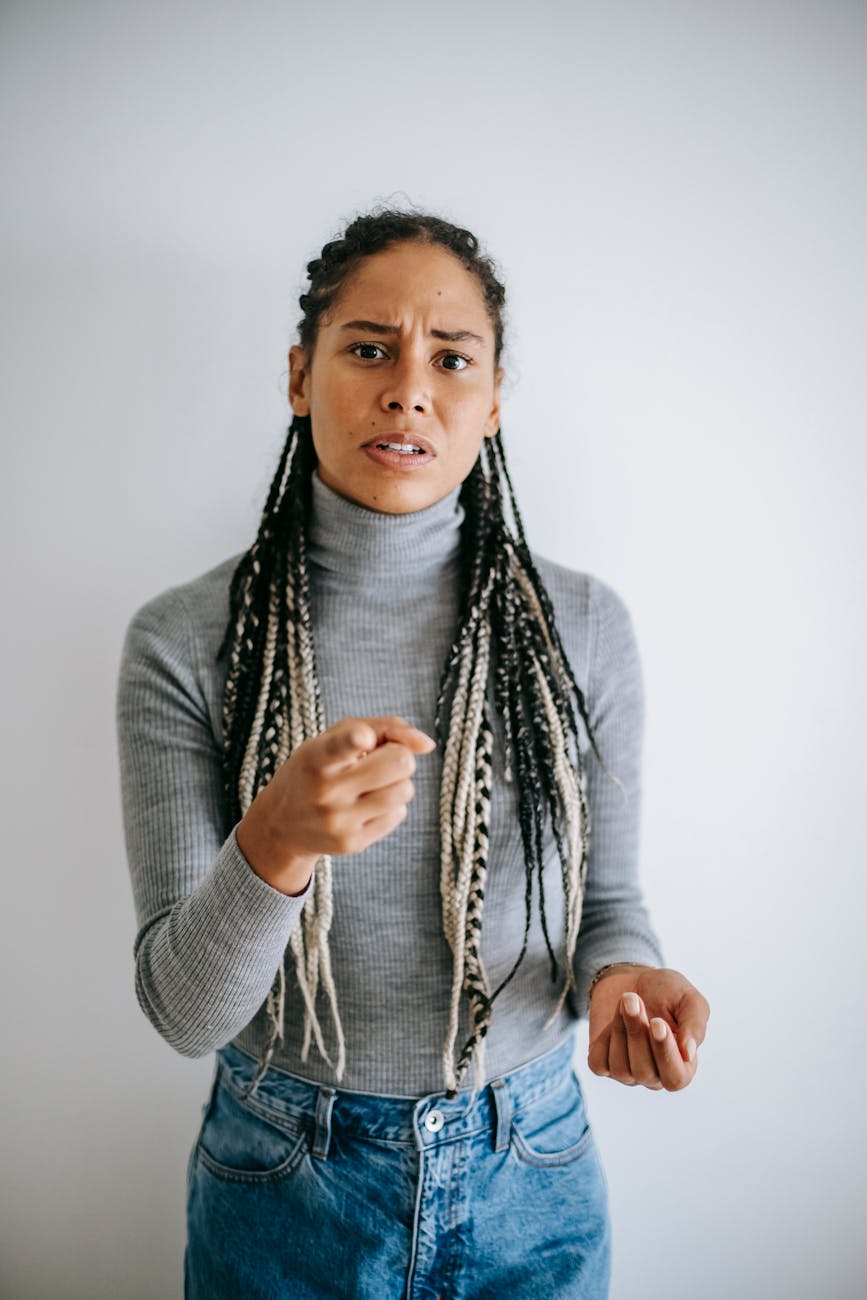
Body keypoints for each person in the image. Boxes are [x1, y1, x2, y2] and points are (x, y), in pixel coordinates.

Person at [117, 209, 710, 1299]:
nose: (408, 388)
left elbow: (609, 902)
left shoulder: (582, 628)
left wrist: (628, 979)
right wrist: (276, 841)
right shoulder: (183, 641)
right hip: (282, 1180)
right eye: (368, 348)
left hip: (532, 1173)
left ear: (491, 403)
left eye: (451, 357)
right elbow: (182, 1010)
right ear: (301, 377)